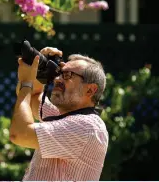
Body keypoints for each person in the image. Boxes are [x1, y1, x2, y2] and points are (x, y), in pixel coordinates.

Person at [9, 46, 109, 181]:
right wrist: (39, 68)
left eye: (67, 75)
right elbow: (33, 96)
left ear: (90, 90)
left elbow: (20, 134)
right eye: (59, 73)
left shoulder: (87, 127)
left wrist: (27, 83)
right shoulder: (65, 116)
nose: (57, 79)